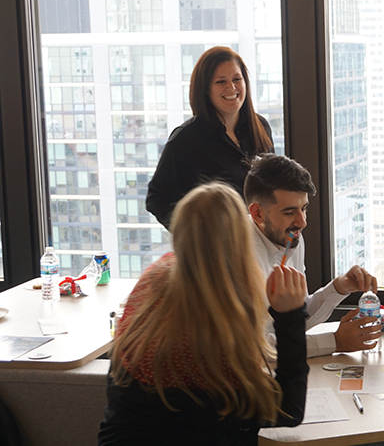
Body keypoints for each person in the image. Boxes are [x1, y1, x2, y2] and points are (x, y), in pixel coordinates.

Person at [98, 182, 309, 444]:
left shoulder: (154, 277)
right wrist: (290, 316)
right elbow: (286, 411)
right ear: (240, 242)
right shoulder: (213, 344)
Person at [244, 153, 382, 357]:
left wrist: (339, 287)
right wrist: (333, 342)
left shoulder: (290, 235)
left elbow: (294, 317)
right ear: (257, 213)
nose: (302, 222)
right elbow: (252, 347)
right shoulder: (238, 252)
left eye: (304, 209)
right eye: (289, 212)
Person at [146, 46, 274, 229]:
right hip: (215, 251)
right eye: (221, 82)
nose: (231, 87)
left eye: (237, 79)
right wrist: (195, 234)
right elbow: (157, 198)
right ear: (205, 89)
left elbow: (272, 186)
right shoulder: (186, 140)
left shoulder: (260, 127)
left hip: (260, 244)